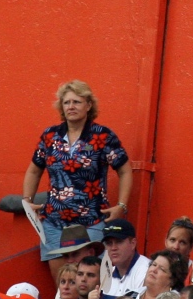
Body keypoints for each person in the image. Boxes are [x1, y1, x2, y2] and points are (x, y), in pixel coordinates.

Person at [24, 81, 132, 281]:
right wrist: (27, 200)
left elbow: (125, 170)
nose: (71, 107)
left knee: (91, 282)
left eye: (77, 102)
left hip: (91, 220)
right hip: (54, 222)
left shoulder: (103, 136)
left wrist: (121, 206)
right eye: (66, 103)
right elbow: (33, 170)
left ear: (89, 105)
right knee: (63, 284)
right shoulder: (50, 136)